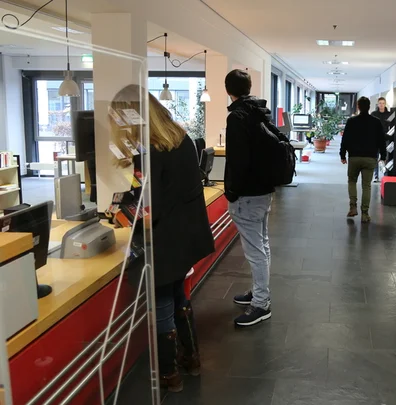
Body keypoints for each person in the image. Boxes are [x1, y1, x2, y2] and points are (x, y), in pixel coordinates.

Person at [110, 85, 215, 392]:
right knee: (180, 296)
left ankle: (169, 373)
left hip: (164, 239)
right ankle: (191, 358)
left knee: (162, 303)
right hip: (186, 235)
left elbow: (148, 207)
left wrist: (121, 215)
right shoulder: (181, 139)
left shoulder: (150, 154)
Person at [224, 69, 274, 327]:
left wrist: (232, 192)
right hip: (264, 190)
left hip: (247, 195)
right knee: (261, 245)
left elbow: (238, 161)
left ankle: (261, 303)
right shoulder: (260, 112)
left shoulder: (237, 117)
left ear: (228, 90)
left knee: (255, 251)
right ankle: (258, 291)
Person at [340, 96, 387, 223]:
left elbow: (345, 139)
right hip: (370, 158)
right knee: (367, 186)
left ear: (358, 107)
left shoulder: (351, 121)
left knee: (352, 181)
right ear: (369, 107)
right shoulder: (376, 122)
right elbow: (381, 141)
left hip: (354, 157)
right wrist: (383, 156)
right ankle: (365, 214)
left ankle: (353, 207)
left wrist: (342, 155)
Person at [370, 97, 392, 182]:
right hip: (375, 139)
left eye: (383, 103)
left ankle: (385, 174)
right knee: (375, 157)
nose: (381, 105)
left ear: (385, 104)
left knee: (385, 157)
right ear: (378, 104)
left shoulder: (389, 114)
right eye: (380, 103)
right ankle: (376, 176)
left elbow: (392, 126)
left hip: (385, 139)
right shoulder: (373, 114)